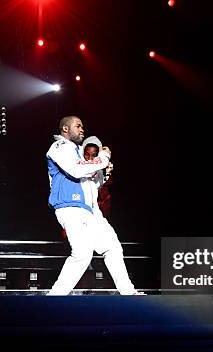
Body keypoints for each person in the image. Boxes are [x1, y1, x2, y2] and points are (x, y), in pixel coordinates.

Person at [46, 116, 142, 295]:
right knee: (82, 254)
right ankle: (55, 296)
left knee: (113, 247)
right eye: (78, 126)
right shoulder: (59, 147)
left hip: (88, 210)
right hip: (70, 207)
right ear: (65, 129)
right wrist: (103, 158)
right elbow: (76, 170)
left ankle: (129, 293)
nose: (82, 129)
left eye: (82, 126)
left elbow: (89, 184)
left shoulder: (76, 151)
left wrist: (103, 175)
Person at [82, 138, 114, 219]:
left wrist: (107, 173)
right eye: (87, 154)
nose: (89, 158)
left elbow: (99, 185)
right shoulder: (77, 168)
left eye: (93, 155)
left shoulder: (100, 170)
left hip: (97, 209)